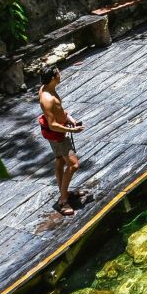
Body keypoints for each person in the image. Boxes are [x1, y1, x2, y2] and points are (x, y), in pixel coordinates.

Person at [39, 65, 84, 216]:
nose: (60, 74)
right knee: (74, 165)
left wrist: (69, 119)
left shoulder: (48, 88)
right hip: (59, 135)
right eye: (58, 72)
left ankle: (64, 192)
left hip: (59, 132)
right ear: (53, 77)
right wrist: (72, 130)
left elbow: (59, 111)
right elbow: (52, 125)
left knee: (60, 160)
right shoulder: (47, 98)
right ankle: (63, 200)